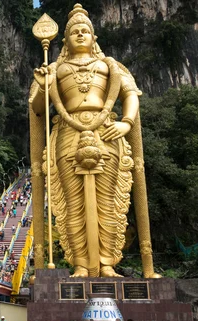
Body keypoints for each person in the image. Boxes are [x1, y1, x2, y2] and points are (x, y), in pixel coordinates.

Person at [29, 3, 160, 278]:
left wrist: (126, 121)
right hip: (68, 132)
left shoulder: (109, 65)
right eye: (74, 31)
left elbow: (131, 94)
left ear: (93, 37)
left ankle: (107, 263)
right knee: (73, 201)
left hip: (106, 132)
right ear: (65, 40)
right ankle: (80, 264)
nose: (79, 35)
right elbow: (39, 108)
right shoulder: (53, 69)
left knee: (107, 201)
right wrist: (43, 85)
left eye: (84, 31)